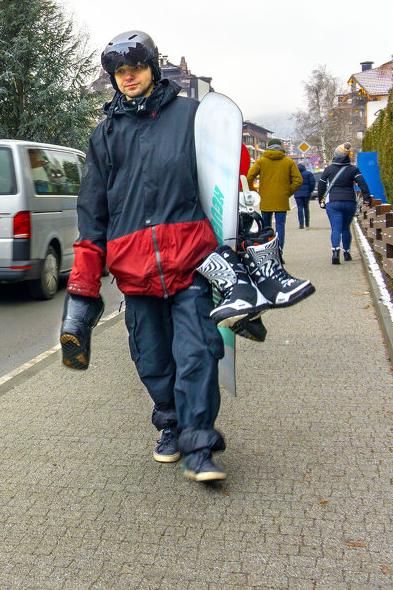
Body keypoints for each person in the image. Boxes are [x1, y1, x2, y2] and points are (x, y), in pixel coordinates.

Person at [58, 30, 312, 484]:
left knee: (196, 353)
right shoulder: (105, 135)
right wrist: (83, 289)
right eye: (120, 72)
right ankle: (171, 424)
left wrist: (242, 235)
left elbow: (226, 179)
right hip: (134, 268)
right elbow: (92, 213)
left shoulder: (192, 117)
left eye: (136, 67)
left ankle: (200, 445)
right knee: (152, 359)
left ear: (153, 67)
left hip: (192, 262)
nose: (128, 77)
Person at [246, 138, 302, 257]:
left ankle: (268, 253)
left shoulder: (261, 161)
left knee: (266, 228)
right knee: (280, 226)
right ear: (280, 147)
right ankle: (279, 251)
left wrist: (255, 192)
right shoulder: (288, 162)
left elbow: (249, 176)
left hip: (265, 199)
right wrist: (288, 192)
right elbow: (298, 180)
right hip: (281, 200)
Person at [317, 142, 371, 264]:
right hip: (349, 202)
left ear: (335, 155)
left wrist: (321, 199)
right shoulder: (353, 169)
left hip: (333, 203)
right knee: (346, 228)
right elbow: (362, 183)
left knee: (336, 228)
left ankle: (335, 251)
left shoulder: (328, 169)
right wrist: (367, 198)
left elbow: (321, 185)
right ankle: (346, 252)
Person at [294, 162, 314, 229]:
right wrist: (310, 190)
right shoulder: (308, 173)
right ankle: (307, 223)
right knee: (306, 208)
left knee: (299, 208)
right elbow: (312, 183)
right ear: (304, 166)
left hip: (297, 193)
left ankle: (301, 224)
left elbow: (291, 183)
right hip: (306, 193)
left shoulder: (294, 174)